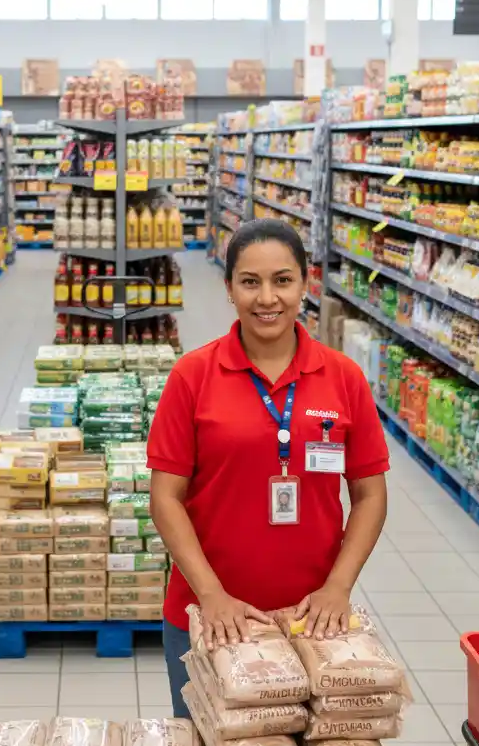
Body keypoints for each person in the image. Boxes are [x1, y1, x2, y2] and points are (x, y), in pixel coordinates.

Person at [147, 218, 389, 718]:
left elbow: (370, 495)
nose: (266, 298)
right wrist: (211, 595)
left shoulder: (343, 378)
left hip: (312, 619)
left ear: (305, 283)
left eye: (282, 280)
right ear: (229, 288)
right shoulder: (192, 376)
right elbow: (165, 498)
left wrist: (338, 587)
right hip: (210, 618)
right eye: (249, 282)